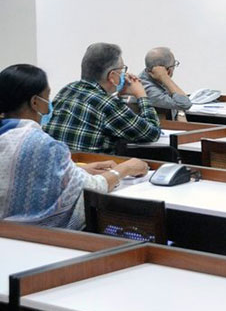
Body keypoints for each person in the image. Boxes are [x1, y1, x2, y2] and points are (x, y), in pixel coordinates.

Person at [0, 64, 149, 229]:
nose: (49, 104)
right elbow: (92, 188)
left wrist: (77, 169)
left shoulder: (9, 135)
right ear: (35, 102)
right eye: (47, 96)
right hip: (36, 237)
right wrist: (126, 168)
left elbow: (19, 172)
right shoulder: (42, 144)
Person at [44, 42, 161, 153]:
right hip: (94, 168)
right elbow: (152, 134)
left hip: (65, 165)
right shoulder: (107, 103)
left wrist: (120, 96)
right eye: (122, 70)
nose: (124, 75)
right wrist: (142, 96)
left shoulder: (67, 90)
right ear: (112, 76)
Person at [138, 47, 192, 121]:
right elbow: (185, 104)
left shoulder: (155, 79)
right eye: (174, 65)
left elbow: (177, 101)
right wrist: (165, 77)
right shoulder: (147, 87)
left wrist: (180, 113)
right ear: (168, 70)